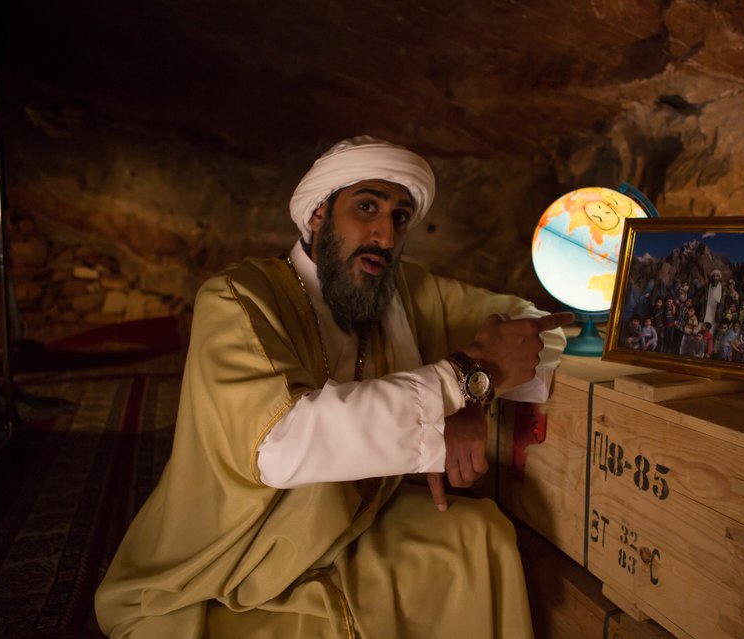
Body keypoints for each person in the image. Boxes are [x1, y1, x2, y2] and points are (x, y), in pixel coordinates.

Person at [94, 136, 573, 639]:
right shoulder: (236, 299)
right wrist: (464, 379)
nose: (385, 235)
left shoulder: (406, 293)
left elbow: (533, 325)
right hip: (236, 551)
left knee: (482, 533)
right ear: (319, 214)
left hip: (355, 522)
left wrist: (475, 393)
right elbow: (281, 443)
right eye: (367, 207)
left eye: (400, 217)